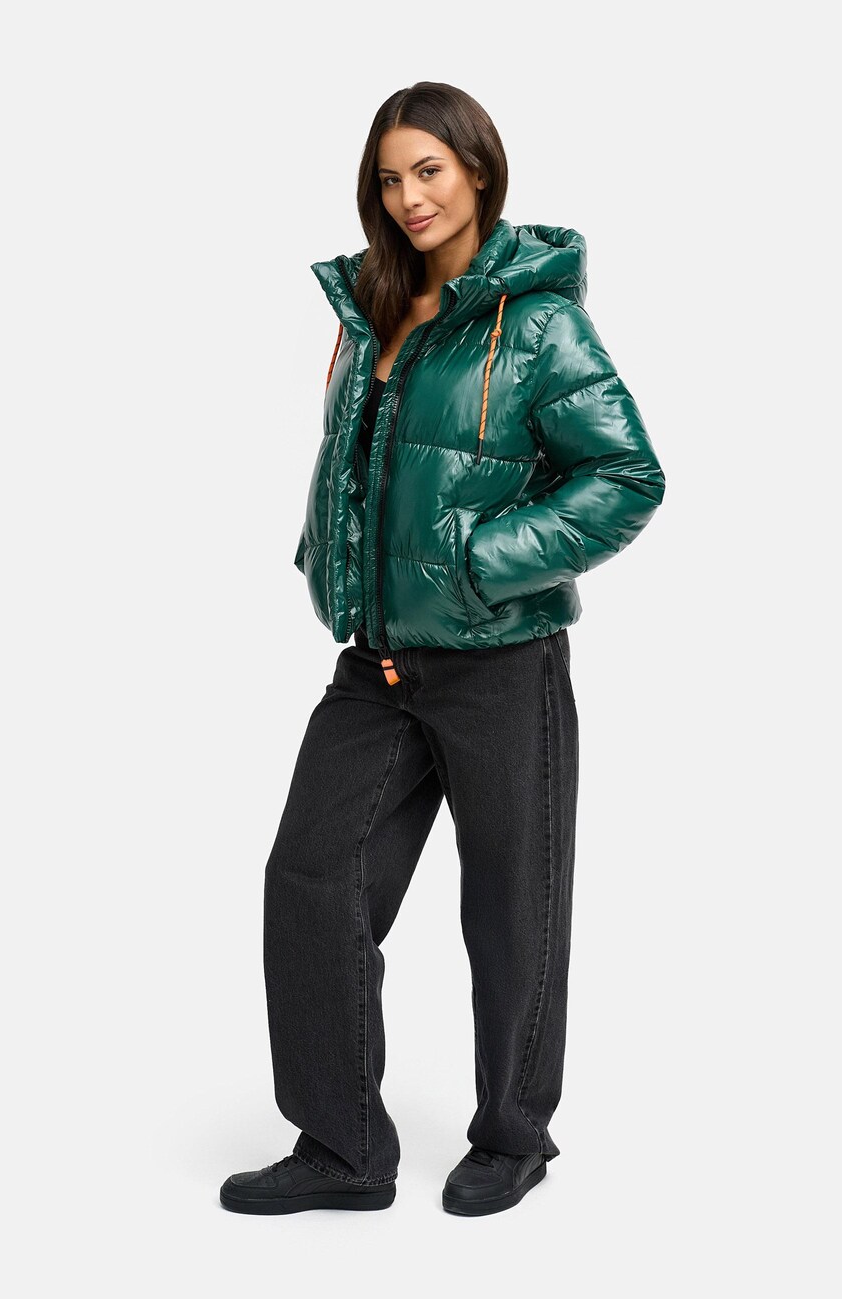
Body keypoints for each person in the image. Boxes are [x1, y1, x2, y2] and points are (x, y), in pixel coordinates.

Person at [220, 81, 666, 1218]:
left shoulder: (541, 324)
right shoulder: (373, 305)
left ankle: (513, 1137)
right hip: (375, 663)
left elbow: (625, 476)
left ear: (477, 168)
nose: (409, 196)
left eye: (429, 169)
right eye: (389, 178)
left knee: (513, 907)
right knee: (310, 881)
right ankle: (343, 1148)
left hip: (501, 660)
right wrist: (335, 561)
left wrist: (477, 561)